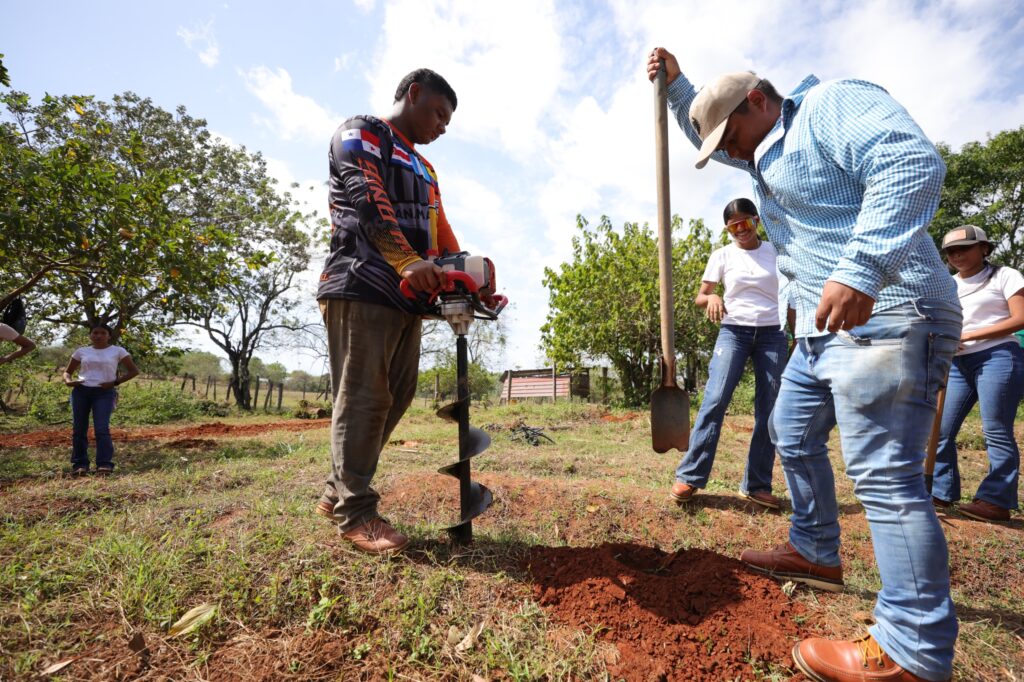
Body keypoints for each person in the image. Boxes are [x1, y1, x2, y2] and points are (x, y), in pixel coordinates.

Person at [647, 48, 962, 682]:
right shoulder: (759, 154)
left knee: (885, 475)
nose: (728, 153)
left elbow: (910, 163)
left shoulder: (827, 107)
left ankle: (914, 649)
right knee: (788, 431)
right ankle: (815, 549)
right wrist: (677, 86)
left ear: (758, 102)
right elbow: (710, 128)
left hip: (888, 308)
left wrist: (862, 269)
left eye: (729, 137)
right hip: (819, 333)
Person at [314, 68, 461, 555]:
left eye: (447, 121)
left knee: (397, 395)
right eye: (438, 113)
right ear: (413, 94)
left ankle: (336, 490)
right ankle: (356, 513)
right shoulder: (361, 133)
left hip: (406, 298)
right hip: (361, 284)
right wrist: (406, 260)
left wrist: (465, 271)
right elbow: (366, 196)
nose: (442, 127)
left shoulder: (425, 168)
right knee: (364, 398)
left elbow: (439, 229)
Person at [670, 198, 788, 510]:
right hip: (734, 332)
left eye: (745, 223)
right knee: (715, 399)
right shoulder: (721, 255)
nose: (741, 231)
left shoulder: (776, 251)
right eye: (733, 227)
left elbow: (791, 291)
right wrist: (712, 298)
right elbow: (702, 295)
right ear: (727, 230)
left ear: (757, 221)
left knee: (770, 410)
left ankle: (756, 484)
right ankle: (690, 476)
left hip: (773, 334)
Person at [932, 226, 1024, 522]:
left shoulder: (1005, 275)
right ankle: (941, 492)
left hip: (998, 355)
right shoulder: (948, 284)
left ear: (984, 248)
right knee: (940, 429)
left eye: (965, 248)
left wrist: (971, 335)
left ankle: (997, 501)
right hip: (958, 363)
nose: (957, 255)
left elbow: (1021, 318)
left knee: (995, 429)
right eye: (951, 251)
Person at [62, 324, 139, 475]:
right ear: (90, 335)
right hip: (81, 391)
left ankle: (104, 464)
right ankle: (80, 464)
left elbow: (133, 371)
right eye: (95, 333)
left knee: (102, 429)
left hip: (104, 392)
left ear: (109, 336)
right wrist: (68, 381)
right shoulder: (82, 351)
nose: (98, 336)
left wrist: (115, 382)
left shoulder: (118, 351)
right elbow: (67, 372)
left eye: (103, 333)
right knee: (79, 429)